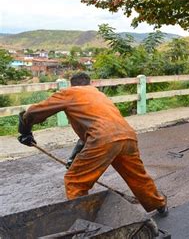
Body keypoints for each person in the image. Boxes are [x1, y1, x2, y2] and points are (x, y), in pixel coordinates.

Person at [17, 72, 168, 217]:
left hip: (103, 139)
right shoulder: (98, 95)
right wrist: (74, 159)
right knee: (137, 176)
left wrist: (25, 131)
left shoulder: (70, 93)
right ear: (89, 83)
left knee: (75, 181)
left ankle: (85, 221)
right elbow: (87, 136)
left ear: (73, 85)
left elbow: (33, 112)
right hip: (127, 137)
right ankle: (159, 204)